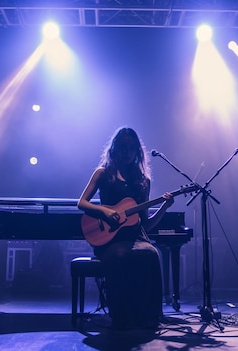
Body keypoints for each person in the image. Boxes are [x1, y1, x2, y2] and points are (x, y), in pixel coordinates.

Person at [78, 126, 174, 330]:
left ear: (137, 151)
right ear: (114, 150)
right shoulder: (103, 174)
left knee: (151, 253)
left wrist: (164, 207)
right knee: (121, 255)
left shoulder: (143, 181)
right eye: (122, 148)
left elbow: (146, 224)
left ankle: (147, 316)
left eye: (131, 148)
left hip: (136, 237)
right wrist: (104, 211)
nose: (126, 152)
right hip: (109, 239)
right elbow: (82, 203)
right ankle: (122, 314)